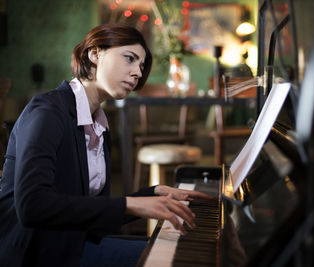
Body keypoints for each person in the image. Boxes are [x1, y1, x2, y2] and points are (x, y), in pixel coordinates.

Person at [0, 23, 211, 267]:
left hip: (72, 242)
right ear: (95, 53)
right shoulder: (48, 112)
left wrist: (152, 194)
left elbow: (89, 211)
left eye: (141, 66)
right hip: (35, 253)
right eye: (129, 59)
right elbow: (32, 206)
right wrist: (132, 204)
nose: (138, 73)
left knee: (185, 253)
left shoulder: (98, 123)